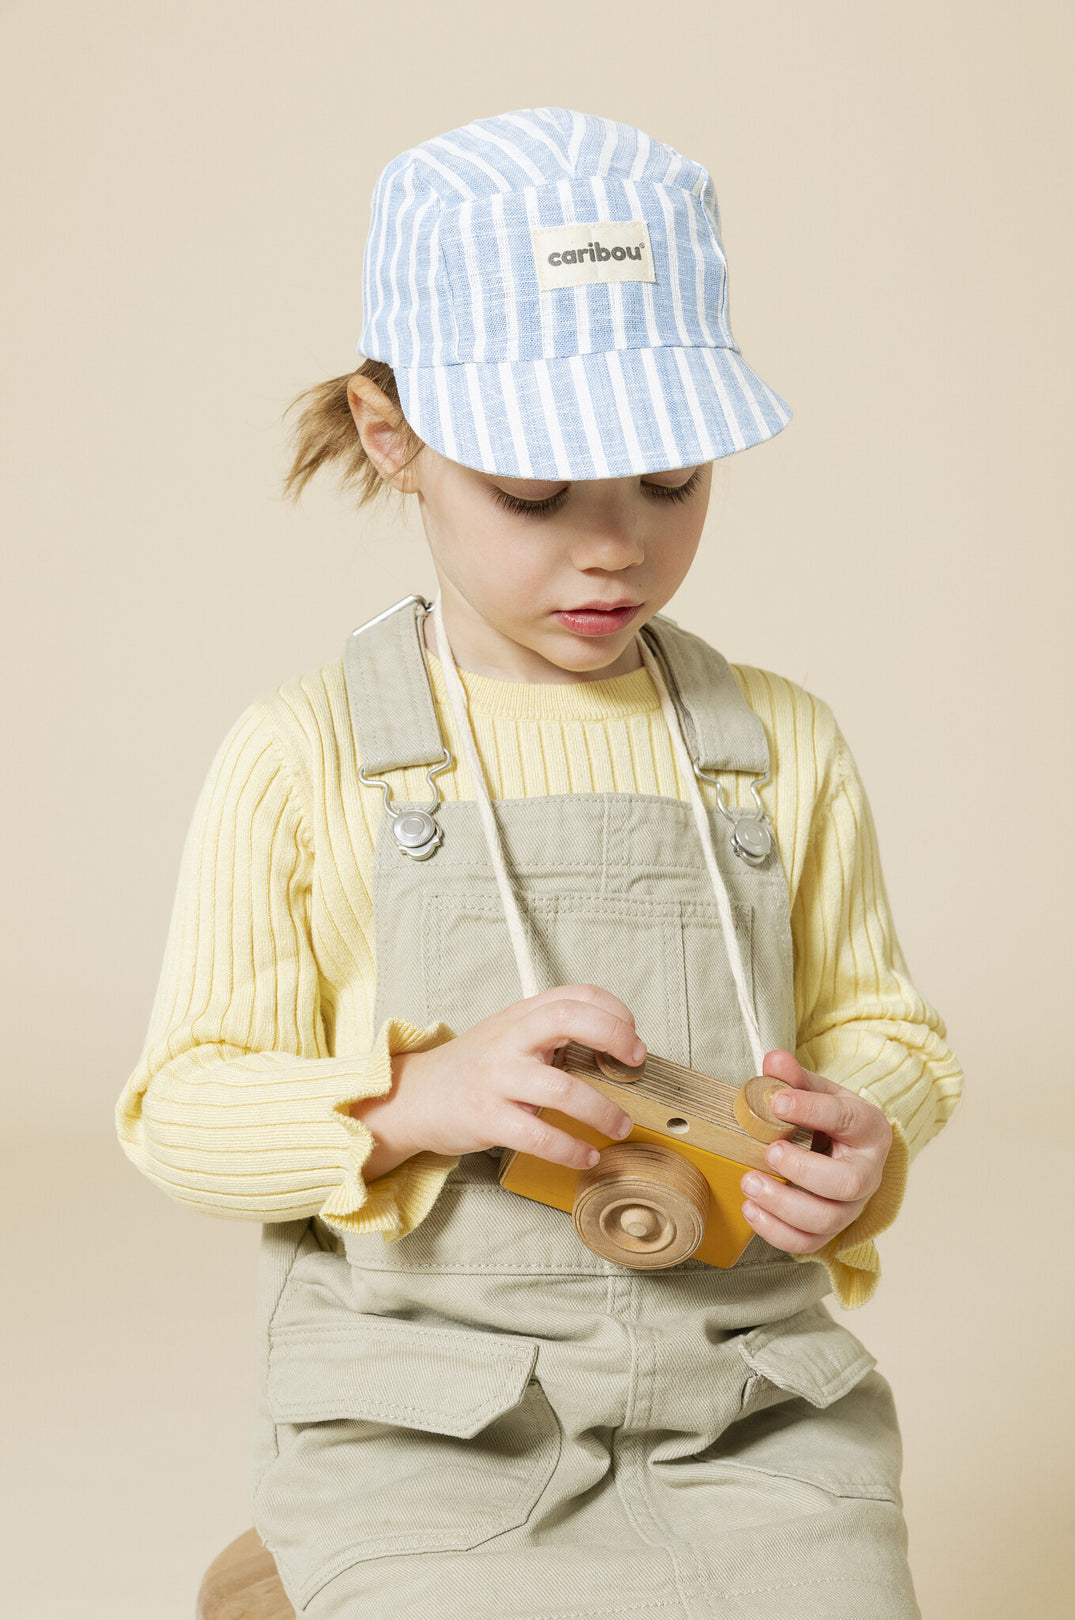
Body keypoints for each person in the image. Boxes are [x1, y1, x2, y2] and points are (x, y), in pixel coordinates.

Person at [116, 108, 962, 1619]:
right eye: (534, 492)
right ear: (396, 440)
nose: (614, 548)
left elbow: (884, 1031)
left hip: (749, 1400)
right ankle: (305, 1569)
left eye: (668, 481)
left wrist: (869, 1137)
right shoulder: (304, 753)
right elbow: (178, 1107)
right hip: (434, 1412)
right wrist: (408, 1098)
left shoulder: (779, 746)